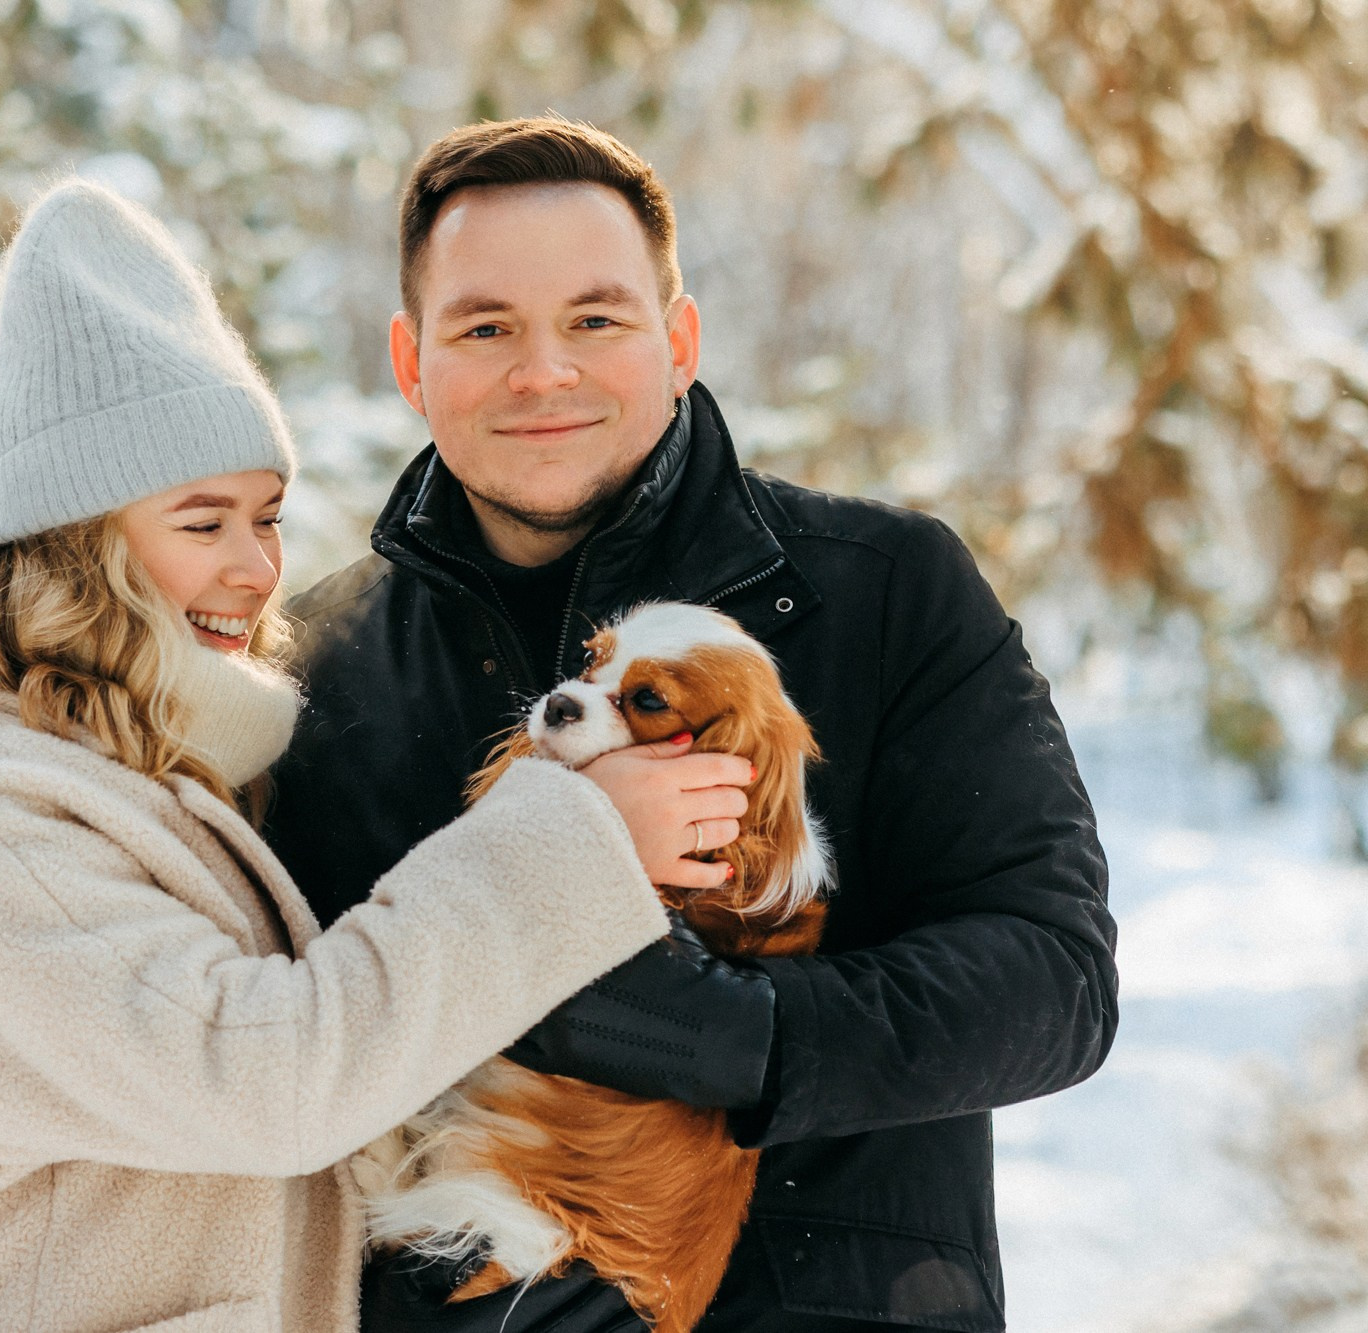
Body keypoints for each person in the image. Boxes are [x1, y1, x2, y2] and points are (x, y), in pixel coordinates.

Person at [0, 179, 739, 1332]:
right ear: (81, 543)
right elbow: (271, 1080)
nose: (254, 568)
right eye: (200, 521)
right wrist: (579, 836)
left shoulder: (126, 769)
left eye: (266, 515)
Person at [264, 118, 1120, 1331]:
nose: (542, 369)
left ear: (678, 338)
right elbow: (264, 1047)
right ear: (412, 361)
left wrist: (726, 1031)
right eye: (485, 326)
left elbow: (1052, 979)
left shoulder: (883, 588)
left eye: (594, 319)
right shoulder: (313, 669)